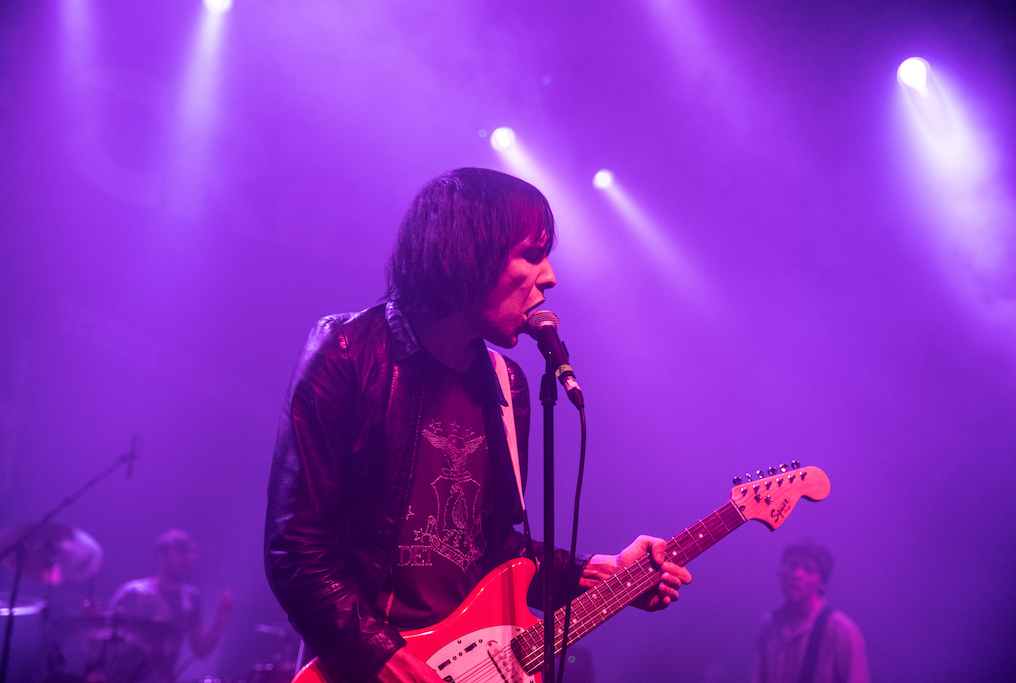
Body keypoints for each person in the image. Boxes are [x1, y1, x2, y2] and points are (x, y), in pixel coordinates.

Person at [263, 168, 692, 683]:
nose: (550, 277)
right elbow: (297, 548)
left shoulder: (507, 384)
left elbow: (492, 548)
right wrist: (383, 659)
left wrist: (599, 571)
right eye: (531, 254)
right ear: (469, 252)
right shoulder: (349, 352)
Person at [107, 529, 234, 683]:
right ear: (162, 556)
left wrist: (221, 619)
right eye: (182, 551)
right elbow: (102, 635)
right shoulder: (134, 592)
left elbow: (200, 652)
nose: (189, 557)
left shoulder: (191, 598)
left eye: (192, 552)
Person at [751, 541, 869, 683]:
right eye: (792, 565)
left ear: (822, 582)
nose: (797, 575)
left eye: (809, 569)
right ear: (779, 571)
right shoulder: (769, 624)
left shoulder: (840, 630)